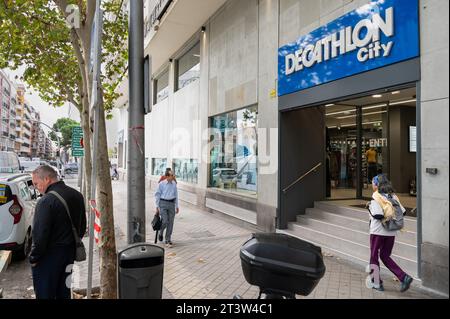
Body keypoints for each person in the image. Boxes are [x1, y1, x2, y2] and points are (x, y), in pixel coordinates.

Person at [30, 165, 87, 299]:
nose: (36, 187)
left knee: (45, 294)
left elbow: (39, 235)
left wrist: (34, 258)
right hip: (69, 255)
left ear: (47, 179)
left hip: (48, 258)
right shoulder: (77, 195)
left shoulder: (45, 201)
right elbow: (82, 226)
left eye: (36, 183)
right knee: (64, 292)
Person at [367, 174, 413, 292]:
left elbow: (378, 215)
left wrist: (369, 207)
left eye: (373, 182)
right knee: (385, 255)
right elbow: (402, 212)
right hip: (391, 233)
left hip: (377, 231)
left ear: (377, 185)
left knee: (373, 256)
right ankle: (403, 277)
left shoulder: (376, 196)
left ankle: (376, 283)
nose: (372, 185)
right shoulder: (393, 196)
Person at [155, 171, 179, 248]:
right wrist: (157, 207)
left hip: (172, 204)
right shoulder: (161, 184)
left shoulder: (174, 184)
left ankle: (168, 239)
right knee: (165, 221)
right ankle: (161, 232)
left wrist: (177, 206)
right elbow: (157, 195)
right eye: (172, 175)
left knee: (171, 222)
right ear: (167, 176)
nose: (173, 176)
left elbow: (176, 195)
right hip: (163, 203)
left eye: (173, 175)